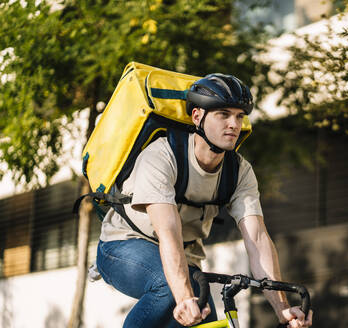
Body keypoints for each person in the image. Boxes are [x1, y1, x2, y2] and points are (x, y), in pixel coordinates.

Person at [96, 73, 314, 327]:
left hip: (185, 260)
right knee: (169, 289)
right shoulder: (161, 157)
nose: (234, 124)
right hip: (123, 246)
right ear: (197, 116)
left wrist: (282, 309)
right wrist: (183, 296)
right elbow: (168, 231)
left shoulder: (239, 171)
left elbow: (257, 239)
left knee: (203, 318)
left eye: (239, 116)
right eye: (223, 114)